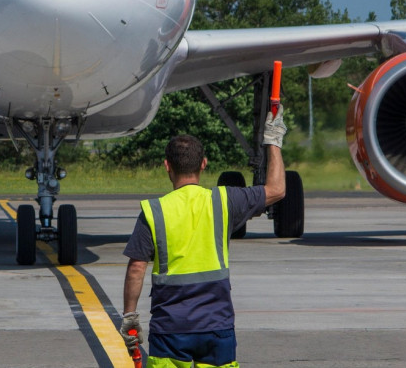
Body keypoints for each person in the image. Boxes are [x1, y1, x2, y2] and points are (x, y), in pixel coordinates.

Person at [120, 107, 288, 368]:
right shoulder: (224, 201)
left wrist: (130, 316)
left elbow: (136, 268)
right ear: (203, 164)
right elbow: (277, 190)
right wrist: (273, 142)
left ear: (167, 166)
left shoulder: (154, 211)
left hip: (170, 329)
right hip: (216, 327)